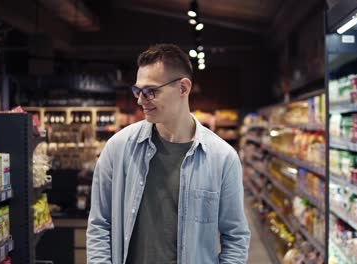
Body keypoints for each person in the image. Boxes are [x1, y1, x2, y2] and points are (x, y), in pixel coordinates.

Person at [86, 44, 250, 264]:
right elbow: (100, 224)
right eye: (138, 91)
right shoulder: (118, 148)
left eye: (150, 91)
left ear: (183, 88)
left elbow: (236, 237)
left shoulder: (222, 158)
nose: (140, 100)